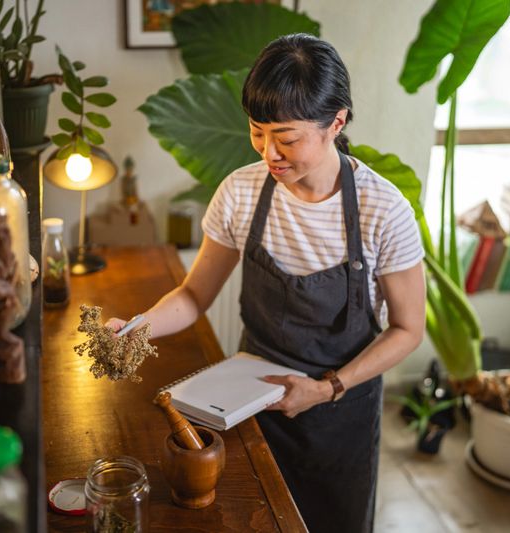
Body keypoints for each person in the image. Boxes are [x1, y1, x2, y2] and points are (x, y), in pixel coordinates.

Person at [108, 33, 426, 533]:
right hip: (249, 402)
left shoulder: (383, 210)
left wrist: (326, 388)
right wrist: (138, 327)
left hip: (339, 411)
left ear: (336, 122)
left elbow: (408, 329)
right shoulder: (241, 191)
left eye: (287, 138)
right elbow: (193, 294)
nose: (269, 152)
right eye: (257, 132)